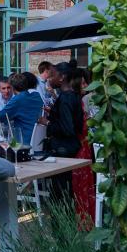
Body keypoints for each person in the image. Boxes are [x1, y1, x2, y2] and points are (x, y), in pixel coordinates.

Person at [38, 62, 83, 200]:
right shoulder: (72, 95)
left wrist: (48, 122)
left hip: (63, 148)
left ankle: (61, 220)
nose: (49, 79)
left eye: (52, 75)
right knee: (65, 189)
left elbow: (67, 128)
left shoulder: (65, 98)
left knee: (61, 191)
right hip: (70, 146)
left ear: (62, 77)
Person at [70, 68, 96, 228]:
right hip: (90, 146)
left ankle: (85, 218)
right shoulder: (82, 100)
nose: (84, 86)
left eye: (85, 83)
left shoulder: (85, 100)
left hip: (83, 147)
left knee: (82, 183)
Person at [0, 72, 43, 145]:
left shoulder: (18, 99)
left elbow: (1, 116)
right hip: (38, 141)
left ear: (12, 87)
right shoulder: (36, 96)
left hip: (23, 142)